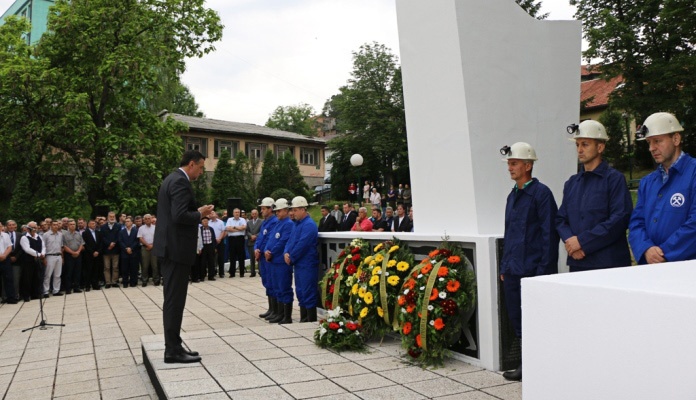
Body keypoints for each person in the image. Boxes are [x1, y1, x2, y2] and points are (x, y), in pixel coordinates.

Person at [499, 142, 559, 382]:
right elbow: (509, 232)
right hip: (513, 270)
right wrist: (504, 266)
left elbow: (549, 235)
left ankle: (538, 366)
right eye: (509, 164)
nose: (510, 168)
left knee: (536, 320)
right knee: (518, 319)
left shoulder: (541, 194)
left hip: (533, 270)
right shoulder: (512, 196)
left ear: (528, 165)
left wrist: (544, 271)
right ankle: (526, 364)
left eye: (514, 163)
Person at [154, 150, 214, 364]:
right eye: (200, 167)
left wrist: (198, 211)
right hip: (176, 250)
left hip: (171, 248)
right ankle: (172, 350)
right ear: (191, 164)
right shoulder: (180, 182)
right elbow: (179, 216)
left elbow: (174, 213)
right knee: (174, 301)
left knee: (174, 300)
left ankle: (175, 345)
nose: (201, 172)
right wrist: (201, 214)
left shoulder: (171, 179)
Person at [556, 120, 632, 272]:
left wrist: (582, 242)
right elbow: (560, 219)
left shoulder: (614, 179)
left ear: (600, 147)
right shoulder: (571, 183)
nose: (579, 150)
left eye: (585, 144)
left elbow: (619, 219)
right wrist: (571, 242)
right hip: (578, 263)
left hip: (608, 264)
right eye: (577, 145)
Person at [629, 112, 696, 264]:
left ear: (676, 139)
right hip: (652, 269)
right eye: (648, 142)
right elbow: (636, 223)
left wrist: (664, 253)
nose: (651, 148)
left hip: (687, 270)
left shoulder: (693, 173)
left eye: (657, 141)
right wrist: (645, 249)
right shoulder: (648, 182)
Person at [285, 196, 319, 323]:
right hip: (299, 264)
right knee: (300, 291)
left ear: (302, 209)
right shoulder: (297, 225)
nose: (292, 213)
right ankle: (304, 319)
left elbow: (302, 244)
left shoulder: (309, 225)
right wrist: (286, 253)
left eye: (295, 210)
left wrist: (291, 256)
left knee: (308, 291)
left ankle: (310, 320)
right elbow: (290, 241)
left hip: (307, 263)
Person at [263, 198, 295, 324]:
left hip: (280, 261)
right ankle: (278, 313)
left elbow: (283, 242)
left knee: (283, 287)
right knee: (276, 287)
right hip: (273, 261)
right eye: (276, 211)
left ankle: (286, 316)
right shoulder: (278, 223)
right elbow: (270, 239)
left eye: (279, 211)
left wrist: (271, 252)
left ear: (286, 211)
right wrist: (266, 250)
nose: (277, 213)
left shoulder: (288, 224)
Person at [255, 198, 278, 320]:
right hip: (262, 256)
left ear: (270, 209)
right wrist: (256, 249)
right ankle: (271, 308)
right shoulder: (265, 222)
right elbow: (260, 238)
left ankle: (275, 310)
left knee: (271, 282)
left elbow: (269, 239)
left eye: (264, 208)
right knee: (266, 282)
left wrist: (261, 250)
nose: (261, 211)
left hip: (267, 256)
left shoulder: (273, 222)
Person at [19, 222, 44, 302]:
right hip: (28, 261)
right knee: (27, 278)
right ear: (28, 228)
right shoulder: (24, 237)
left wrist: (42, 253)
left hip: (37, 260)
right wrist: (38, 254)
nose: (34, 229)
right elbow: (27, 249)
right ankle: (26, 295)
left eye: (35, 227)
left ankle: (35, 294)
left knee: (37, 277)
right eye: (32, 227)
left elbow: (43, 246)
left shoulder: (39, 237)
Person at [43, 221, 65, 297]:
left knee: (57, 274)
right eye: (54, 225)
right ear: (50, 226)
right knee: (48, 274)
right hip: (49, 255)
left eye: (57, 225)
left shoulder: (60, 235)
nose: (56, 226)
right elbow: (43, 247)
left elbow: (61, 246)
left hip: (58, 255)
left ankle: (56, 290)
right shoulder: (46, 235)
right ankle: (46, 291)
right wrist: (44, 258)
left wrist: (62, 257)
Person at [62, 219, 85, 294]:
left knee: (77, 271)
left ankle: (76, 287)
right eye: (71, 224)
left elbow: (81, 243)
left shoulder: (78, 234)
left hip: (78, 254)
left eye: (74, 224)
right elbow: (64, 246)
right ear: (68, 225)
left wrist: (78, 251)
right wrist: (73, 252)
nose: (72, 226)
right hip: (69, 255)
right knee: (69, 272)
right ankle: (68, 288)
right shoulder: (64, 235)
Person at [101, 212, 121, 288]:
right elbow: (102, 237)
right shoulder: (103, 227)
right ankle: (108, 282)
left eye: (113, 216)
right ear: (107, 217)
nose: (112, 218)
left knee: (115, 267)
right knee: (107, 267)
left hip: (115, 249)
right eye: (110, 216)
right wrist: (109, 244)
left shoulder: (118, 226)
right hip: (106, 250)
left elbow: (119, 236)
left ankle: (114, 281)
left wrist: (113, 244)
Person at [118, 217, 139, 288]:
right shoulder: (121, 231)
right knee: (124, 269)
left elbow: (137, 241)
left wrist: (131, 248)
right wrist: (126, 248)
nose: (126, 222)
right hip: (124, 252)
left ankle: (133, 282)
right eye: (126, 221)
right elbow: (120, 241)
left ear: (132, 222)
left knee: (133, 268)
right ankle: (125, 283)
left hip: (133, 252)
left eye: (128, 221)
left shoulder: (136, 231)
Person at [82, 219, 103, 291]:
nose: (93, 225)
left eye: (94, 224)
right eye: (92, 224)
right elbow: (85, 244)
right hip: (89, 255)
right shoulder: (85, 233)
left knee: (96, 270)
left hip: (97, 254)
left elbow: (101, 243)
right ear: (88, 225)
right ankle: (87, 285)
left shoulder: (98, 232)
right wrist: (92, 252)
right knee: (88, 270)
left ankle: (95, 284)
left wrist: (98, 251)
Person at [137, 214, 158, 286]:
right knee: (144, 265)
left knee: (154, 265)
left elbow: (157, 238)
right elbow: (140, 238)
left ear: (151, 219)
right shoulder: (141, 228)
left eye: (149, 218)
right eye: (146, 219)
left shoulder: (155, 227)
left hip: (154, 247)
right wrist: (147, 245)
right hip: (145, 248)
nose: (148, 220)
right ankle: (144, 280)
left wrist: (152, 245)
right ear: (144, 220)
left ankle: (156, 280)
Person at [225, 208, 247, 277]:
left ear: (240, 213)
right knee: (232, 256)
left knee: (241, 256)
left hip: (240, 239)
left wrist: (233, 227)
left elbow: (244, 228)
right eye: (235, 212)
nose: (237, 213)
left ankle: (242, 273)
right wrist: (238, 229)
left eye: (238, 212)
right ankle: (232, 273)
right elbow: (228, 228)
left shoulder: (243, 219)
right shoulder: (229, 219)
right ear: (233, 213)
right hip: (232, 239)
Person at [0, 222, 17, 304]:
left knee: (9, 279)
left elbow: (9, 247)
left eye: (0, 226)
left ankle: (11, 298)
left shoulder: (5, 235)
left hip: (5, 259)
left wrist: (4, 255)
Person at [245, 209, 262, 277]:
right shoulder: (249, 222)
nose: (254, 215)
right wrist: (250, 236)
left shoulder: (261, 221)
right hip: (250, 242)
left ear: (257, 214)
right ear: (251, 214)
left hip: (258, 241)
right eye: (253, 214)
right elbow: (247, 231)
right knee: (252, 258)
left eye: (255, 213)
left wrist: (256, 236)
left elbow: (262, 231)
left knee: (259, 258)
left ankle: (260, 271)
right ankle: (252, 272)